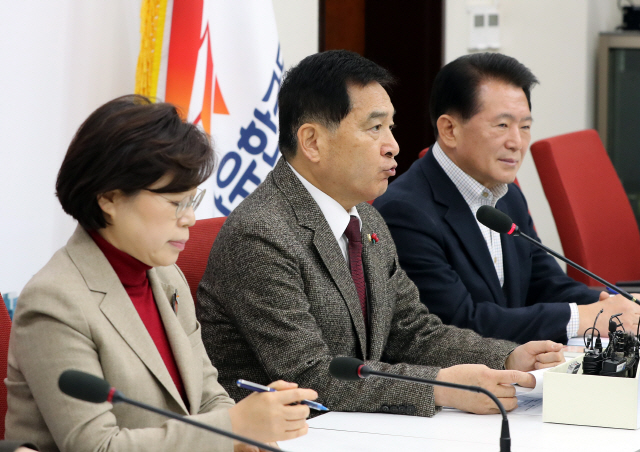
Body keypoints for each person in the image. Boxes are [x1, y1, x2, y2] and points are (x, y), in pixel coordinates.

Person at [197, 50, 564, 418]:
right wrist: (443, 387)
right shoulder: (261, 234)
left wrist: (506, 356)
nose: (393, 146)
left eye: (391, 127)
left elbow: (412, 331)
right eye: (374, 128)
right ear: (312, 142)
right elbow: (310, 377)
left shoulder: (367, 220)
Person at [4, 95, 317, 452]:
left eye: (192, 201)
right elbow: (96, 447)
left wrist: (246, 437)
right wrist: (234, 426)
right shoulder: (54, 301)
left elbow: (209, 398)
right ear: (109, 199)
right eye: (175, 203)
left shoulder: (167, 278)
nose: (190, 218)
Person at [374, 53, 640, 344]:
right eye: (502, 125)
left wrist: (618, 307)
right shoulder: (405, 212)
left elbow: (544, 283)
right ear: (449, 130)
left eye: (524, 126)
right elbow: (457, 323)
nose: (516, 142)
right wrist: (585, 318)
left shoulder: (507, 194)